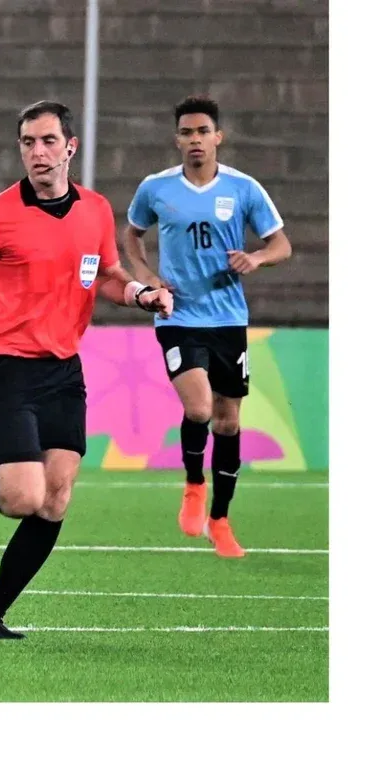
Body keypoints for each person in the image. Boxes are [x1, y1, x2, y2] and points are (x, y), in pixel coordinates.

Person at [0, 100, 174, 640]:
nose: (38, 152)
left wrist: (141, 294)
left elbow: (105, 275)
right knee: (22, 499)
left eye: (48, 141)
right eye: (28, 142)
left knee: (55, 500)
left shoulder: (95, 210)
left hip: (63, 372)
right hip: (6, 370)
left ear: (70, 147)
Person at [123, 95, 292, 558]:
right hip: (177, 316)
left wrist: (256, 257)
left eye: (202, 131)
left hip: (228, 318)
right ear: (176, 139)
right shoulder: (156, 188)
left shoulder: (243, 188)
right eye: (186, 133)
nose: (195, 139)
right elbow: (132, 236)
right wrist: (148, 277)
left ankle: (220, 519)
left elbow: (281, 244)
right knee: (198, 408)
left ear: (218, 136)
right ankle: (194, 485)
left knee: (228, 420)